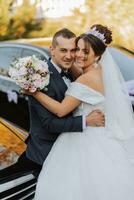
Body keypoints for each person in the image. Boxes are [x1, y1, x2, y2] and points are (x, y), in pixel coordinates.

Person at [31, 25, 134, 199]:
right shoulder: (99, 72)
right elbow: (76, 69)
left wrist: (34, 92)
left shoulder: (86, 80)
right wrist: (68, 60)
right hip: (103, 138)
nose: (77, 54)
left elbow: (61, 110)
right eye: (77, 49)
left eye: (85, 51)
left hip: (84, 140)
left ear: (98, 55)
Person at [0, 28, 104, 181]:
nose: (69, 56)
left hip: (73, 147)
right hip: (45, 152)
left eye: (73, 50)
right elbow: (50, 123)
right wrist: (86, 121)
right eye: (63, 50)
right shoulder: (39, 77)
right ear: (52, 50)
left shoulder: (72, 71)